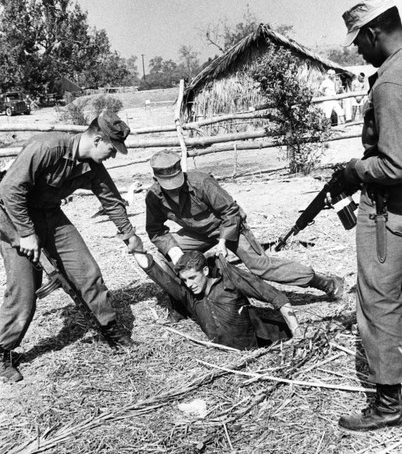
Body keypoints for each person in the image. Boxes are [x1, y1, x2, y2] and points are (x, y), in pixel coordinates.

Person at [0, 109, 144, 383]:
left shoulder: (93, 167)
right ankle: (2, 350)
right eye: (112, 149)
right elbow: (8, 190)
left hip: (50, 215)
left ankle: (109, 328)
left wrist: (130, 235)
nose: (113, 155)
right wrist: (26, 234)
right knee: (24, 290)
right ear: (98, 139)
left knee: (87, 271)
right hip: (12, 216)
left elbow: (112, 201)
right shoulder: (48, 147)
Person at [145, 150, 344, 323]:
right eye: (167, 184)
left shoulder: (201, 183)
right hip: (196, 233)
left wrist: (223, 241)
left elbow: (230, 212)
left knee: (260, 266)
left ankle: (324, 282)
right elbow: (155, 230)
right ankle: (184, 304)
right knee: (165, 259)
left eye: (176, 181)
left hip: (227, 227)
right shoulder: (153, 196)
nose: (174, 188)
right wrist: (176, 253)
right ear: (156, 180)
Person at [338, 0, 402, 431]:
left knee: (378, 301)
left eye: (359, 41)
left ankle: (388, 403)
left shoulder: (391, 81)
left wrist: (357, 169)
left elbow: (395, 163)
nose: (359, 51)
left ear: (374, 32)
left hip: (389, 213)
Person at [141, 250, 294, 350]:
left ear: (205, 271)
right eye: (185, 280)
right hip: (230, 356)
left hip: (267, 342)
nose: (189, 284)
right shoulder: (191, 297)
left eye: (193, 277)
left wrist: (298, 332)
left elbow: (276, 297)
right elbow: (160, 277)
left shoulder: (230, 285)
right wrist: (135, 248)